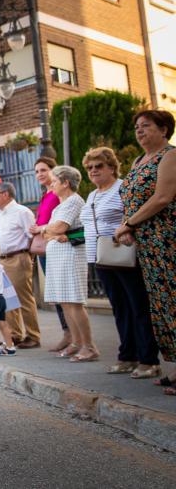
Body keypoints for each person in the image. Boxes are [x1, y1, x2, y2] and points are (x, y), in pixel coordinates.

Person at [81, 147, 159, 377]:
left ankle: (148, 360)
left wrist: (128, 229)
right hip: (101, 257)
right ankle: (127, 356)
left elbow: (134, 214)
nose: (94, 171)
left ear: (112, 167)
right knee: (120, 309)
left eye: (99, 166)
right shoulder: (93, 194)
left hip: (123, 254)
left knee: (138, 307)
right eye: (90, 167)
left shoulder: (123, 188)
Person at [115, 110, 176, 393]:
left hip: (168, 240)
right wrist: (128, 227)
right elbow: (130, 199)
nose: (139, 131)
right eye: (137, 127)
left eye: (146, 126)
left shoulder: (170, 156)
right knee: (161, 306)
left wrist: (129, 223)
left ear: (164, 129)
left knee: (174, 301)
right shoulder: (139, 161)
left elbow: (162, 197)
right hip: (148, 245)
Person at [42, 166, 98, 362]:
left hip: (70, 255)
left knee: (74, 302)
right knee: (65, 301)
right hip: (59, 255)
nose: (51, 184)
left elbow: (59, 227)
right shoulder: (60, 204)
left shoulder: (74, 201)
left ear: (66, 183)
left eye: (54, 181)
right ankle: (76, 341)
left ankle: (88, 346)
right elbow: (52, 232)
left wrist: (46, 230)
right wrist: (50, 232)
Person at [28, 157, 70, 352]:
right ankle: (67, 334)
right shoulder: (46, 195)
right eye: (37, 171)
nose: (39, 174)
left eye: (43, 170)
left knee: (64, 294)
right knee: (56, 294)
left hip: (56, 245)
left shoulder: (58, 195)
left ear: (55, 171)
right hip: (45, 247)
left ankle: (72, 335)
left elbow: (59, 222)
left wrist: (39, 228)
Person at [0, 182, 40, 348]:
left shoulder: (22, 212)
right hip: (2, 259)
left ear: (5, 194)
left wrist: (27, 258)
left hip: (18, 257)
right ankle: (15, 334)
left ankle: (33, 336)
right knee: (7, 299)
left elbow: (32, 236)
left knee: (23, 298)